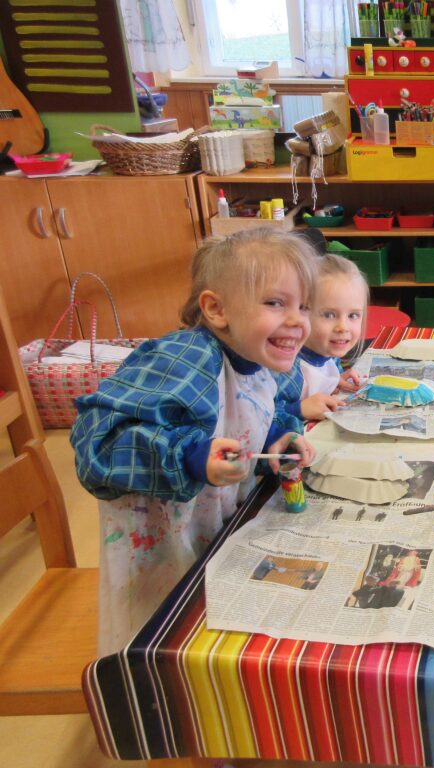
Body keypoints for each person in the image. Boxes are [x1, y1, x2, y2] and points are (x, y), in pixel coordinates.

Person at [72, 228, 318, 655]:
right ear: (216, 309)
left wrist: (278, 437)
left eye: (304, 306)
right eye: (276, 303)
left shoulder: (268, 361)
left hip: (212, 530)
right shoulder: (185, 358)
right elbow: (97, 446)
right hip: (159, 549)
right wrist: (189, 454)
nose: (298, 321)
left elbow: (260, 411)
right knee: (160, 648)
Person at [289, 252, 368, 420]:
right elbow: (255, 419)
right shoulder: (286, 368)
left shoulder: (329, 353)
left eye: (353, 315)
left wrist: (335, 379)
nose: (343, 327)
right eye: (329, 315)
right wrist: (298, 409)